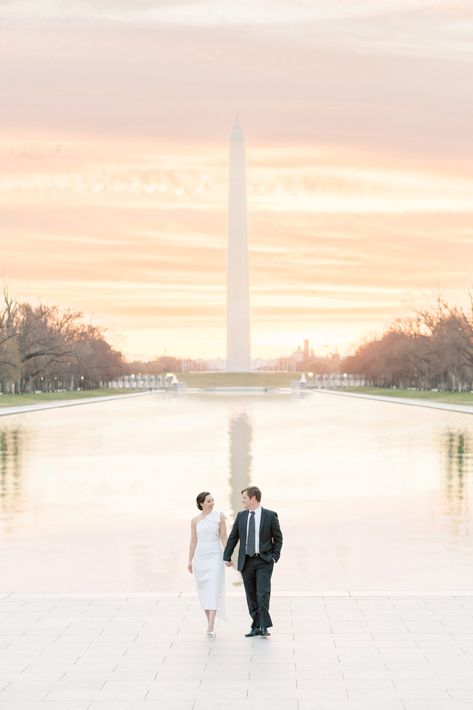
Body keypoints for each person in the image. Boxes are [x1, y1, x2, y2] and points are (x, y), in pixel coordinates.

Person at [223, 486, 283, 638]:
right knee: (251, 595)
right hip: (246, 561)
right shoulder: (241, 516)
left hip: (264, 560)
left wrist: (274, 556)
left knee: (262, 593)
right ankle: (256, 625)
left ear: (253, 498)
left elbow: (278, 538)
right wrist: (227, 556)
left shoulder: (270, 516)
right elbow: (233, 537)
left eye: (244, 497)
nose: (242, 500)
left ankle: (263, 625)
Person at [188, 491, 227, 637]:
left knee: (214, 588)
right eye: (209, 501)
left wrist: (228, 555)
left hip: (215, 557)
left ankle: (210, 625)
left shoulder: (219, 517)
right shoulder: (195, 521)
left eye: (213, 500)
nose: (212, 503)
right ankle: (210, 621)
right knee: (204, 590)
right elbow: (193, 541)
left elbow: (224, 537)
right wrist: (189, 560)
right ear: (201, 504)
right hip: (200, 558)